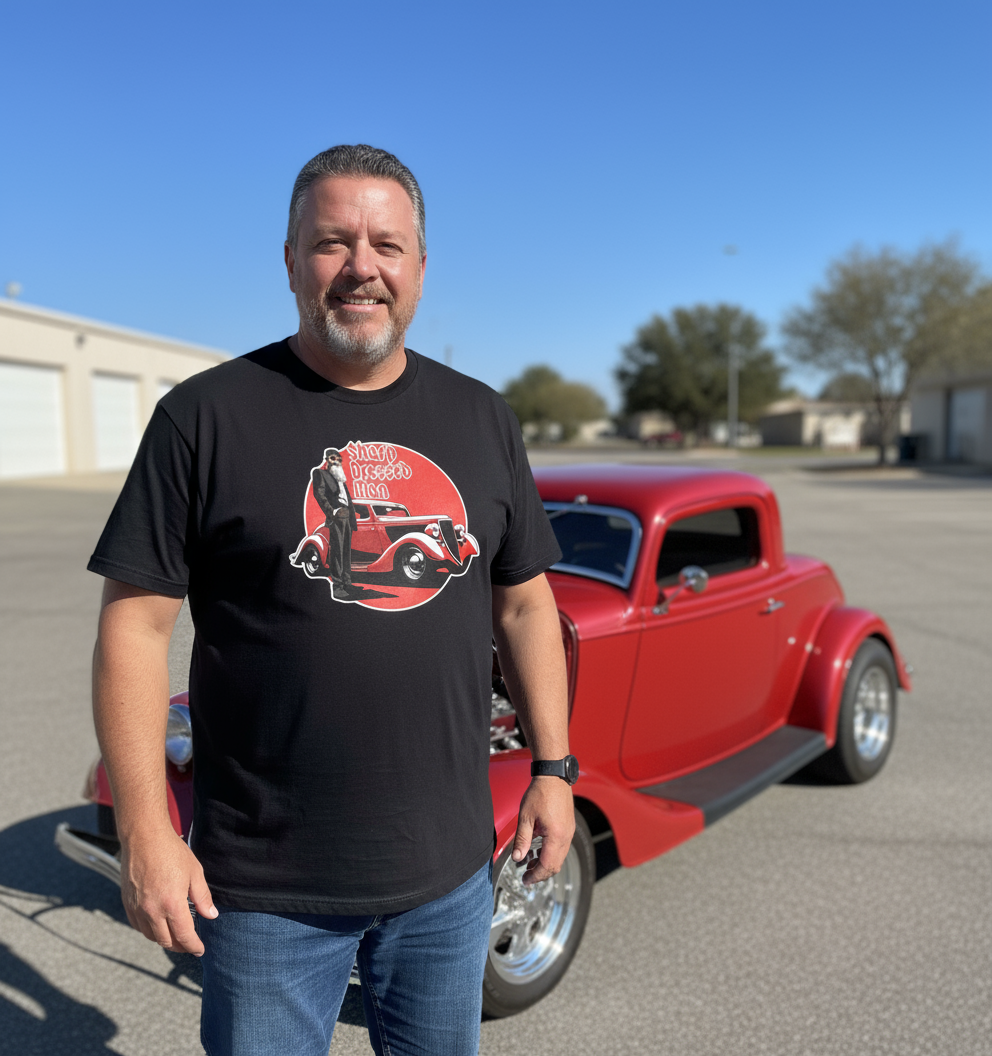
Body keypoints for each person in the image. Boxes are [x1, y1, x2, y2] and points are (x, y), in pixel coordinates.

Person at [88, 144, 576, 1056]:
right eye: (332, 242)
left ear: (421, 268)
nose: (362, 268)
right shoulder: (206, 417)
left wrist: (553, 771)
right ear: (289, 261)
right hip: (268, 892)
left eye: (388, 245)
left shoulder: (483, 419)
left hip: (450, 879)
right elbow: (134, 627)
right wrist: (147, 833)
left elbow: (524, 605)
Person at [311, 446, 357, 598]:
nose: (336, 462)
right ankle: (337, 588)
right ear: (327, 460)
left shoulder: (341, 477)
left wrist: (353, 516)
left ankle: (347, 583)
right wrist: (332, 512)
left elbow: (348, 500)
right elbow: (319, 494)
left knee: (346, 552)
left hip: (347, 517)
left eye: (338, 459)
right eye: (332, 458)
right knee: (337, 552)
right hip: (336, 517)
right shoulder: (320, 473)